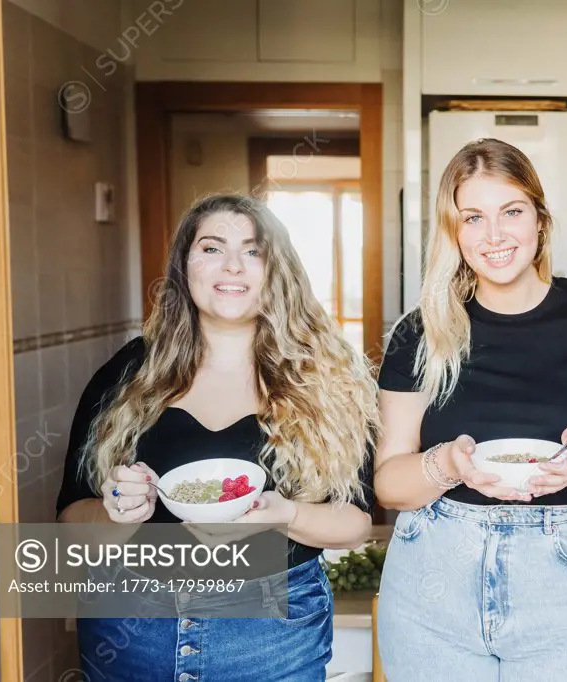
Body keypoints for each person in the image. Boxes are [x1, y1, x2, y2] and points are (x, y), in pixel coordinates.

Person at [56, 194, 380, 682]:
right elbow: (69, 521)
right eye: (211, 248)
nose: (232, 265)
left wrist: (285, 515)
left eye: (253, 251)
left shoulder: (329, 380)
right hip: (130, 627)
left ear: (278, 270)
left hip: (274, 634)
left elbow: (355, 523)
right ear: (184, 266)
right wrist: (116, 513)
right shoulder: (127, 373)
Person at [374, 138, 567, 681]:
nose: (494, 235)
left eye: (512, 211)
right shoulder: (421, 332)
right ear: (453, 231)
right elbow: (389, 482)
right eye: (473, 217)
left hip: (565, 579)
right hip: (435, 573)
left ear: (540, 219)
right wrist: (448, 465)